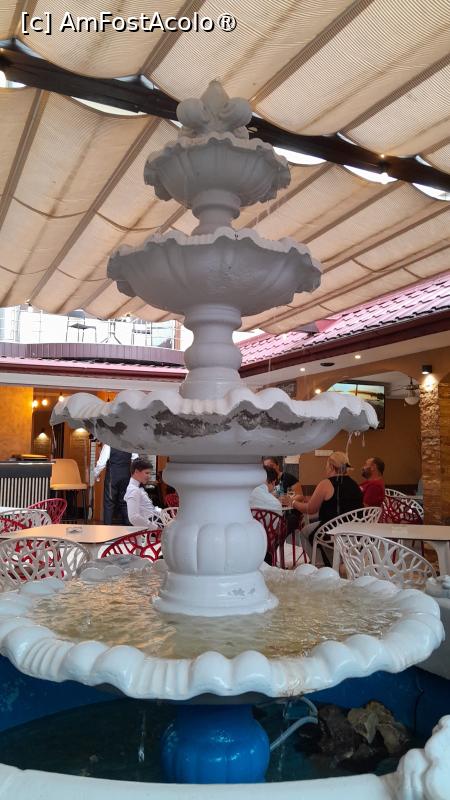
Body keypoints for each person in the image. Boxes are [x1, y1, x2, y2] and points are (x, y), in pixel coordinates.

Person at [292, 451, 362, 563]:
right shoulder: (355, 484)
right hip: (355, 531)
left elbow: (310, 509)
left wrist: (293, 503)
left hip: (333, 531)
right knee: (312, 527)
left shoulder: (326, 483)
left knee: (305, 531)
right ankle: (335, 561)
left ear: (331, 466)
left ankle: (320, 564)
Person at [94, 444, 137, 525]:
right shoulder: (130, 444)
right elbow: (136, 460)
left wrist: (96, 475)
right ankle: (129, 529)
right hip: (126, 476)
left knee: (109, 503)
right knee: (125, 502)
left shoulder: (109, 444)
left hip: (112, 477)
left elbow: (101, 464)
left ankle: (107, 529)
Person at [124, 457, 162, 527]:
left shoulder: (137, 487)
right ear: (136, 472)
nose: (149, 476)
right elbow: (133, 518)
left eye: (150, 473)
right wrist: (154, 527)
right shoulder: (134, 490)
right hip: (151, 526)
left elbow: (148, 508)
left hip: (154, 520)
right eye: (147, 473)